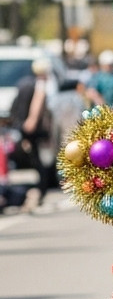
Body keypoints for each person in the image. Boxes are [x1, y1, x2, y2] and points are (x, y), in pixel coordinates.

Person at [9, 58, 56, 206]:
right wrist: (33, 121)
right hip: (31, 127)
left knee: (34, 158)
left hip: (20, 124)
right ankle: (40, 191)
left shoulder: (23, 82)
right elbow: (37, 103)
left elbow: (15, 105)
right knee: (38, 160)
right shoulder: (39, 84)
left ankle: (38, 191)